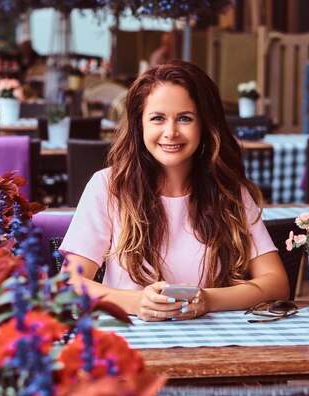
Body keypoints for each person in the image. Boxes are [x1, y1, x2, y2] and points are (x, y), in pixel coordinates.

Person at [59, 61, 289, 322]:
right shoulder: (108, 186)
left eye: (185, 118)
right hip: (130, 345)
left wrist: (209, 299)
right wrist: (137, 302)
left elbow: (277, 283)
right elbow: (69, 284)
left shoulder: (229, 191)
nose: (171, 132)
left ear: (205, 124)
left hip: (216, 348)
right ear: (139, 124)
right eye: (158, 118)